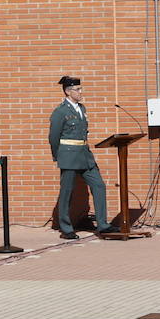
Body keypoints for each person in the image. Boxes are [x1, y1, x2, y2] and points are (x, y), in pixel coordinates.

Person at [49, 76, 115, 239]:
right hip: (69, 155)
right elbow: (53, 137)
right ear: (68, 91)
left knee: (99, 186)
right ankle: (66, 228)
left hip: (85, 155)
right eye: (77, 89)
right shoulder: (60, 111)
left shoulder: (82, 109)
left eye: (80, 88)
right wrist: (59, 157)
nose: (81, 92)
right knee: (67, 192)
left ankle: (102, 224)